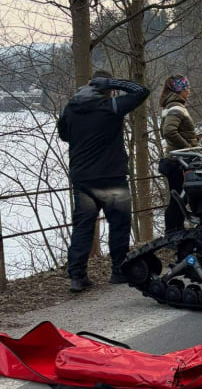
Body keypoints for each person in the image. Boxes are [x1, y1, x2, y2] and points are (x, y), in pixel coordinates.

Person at [57, 70, 150, 292]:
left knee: (83, 227)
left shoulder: (71, 108)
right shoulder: (112, 107)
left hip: (83, 179)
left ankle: (77, 276)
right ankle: (118, 270)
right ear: (107, 89)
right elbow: (141, 91)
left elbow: (64, 135)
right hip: (112, 177)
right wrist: (111, 83)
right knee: (118, 224)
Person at [158, 75, 198, 234]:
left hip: (174, 159)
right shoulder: (176, 107)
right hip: (178, 161)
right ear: (180, 90)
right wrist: (187, 148)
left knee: (178, 197)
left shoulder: (170, 106)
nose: (189, 92)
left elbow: (172, 131)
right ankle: (173, 232)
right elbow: (168, 131)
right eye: (187, 88)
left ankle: (176, 230)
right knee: (179, 198)